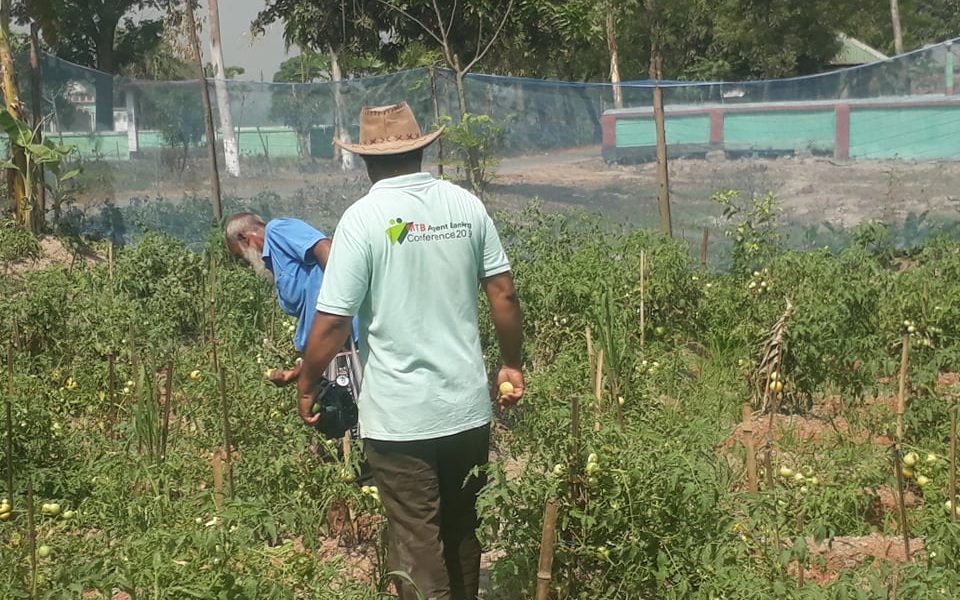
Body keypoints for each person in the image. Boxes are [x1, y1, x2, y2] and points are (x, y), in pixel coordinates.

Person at [296, 102, 524, 600]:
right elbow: (503, 293)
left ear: (365, 161)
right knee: (463, 529)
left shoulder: (363, 219)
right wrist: (511, 363)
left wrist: (308, 382)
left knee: (417, 542)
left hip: (401, 420)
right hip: (466, 409)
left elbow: (334, 320)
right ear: (421, 149)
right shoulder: (466, 206)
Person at [224, 213, 358, 385]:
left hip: (348, 344)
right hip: (329, 354)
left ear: (243, 238)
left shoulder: (277, 231)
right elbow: (312, 314)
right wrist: (294, 374)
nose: (246, 263)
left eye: (240, 256)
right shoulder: (276, 262)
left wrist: (344, 311)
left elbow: (328, 251)